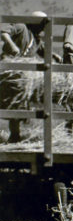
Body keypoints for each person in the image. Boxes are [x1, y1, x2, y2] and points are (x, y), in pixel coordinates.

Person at [0, 11, 51, 142]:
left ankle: (15, 135)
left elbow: (41, 50)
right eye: (41, 24)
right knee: (11, 101)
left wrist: (53, 56)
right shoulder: (21, 27)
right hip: (10, 69)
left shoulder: (35, 37)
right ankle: (14, 135)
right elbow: (4, 32)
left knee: (19, 102)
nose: (43, 28)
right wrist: (12, 46)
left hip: (23, 73)